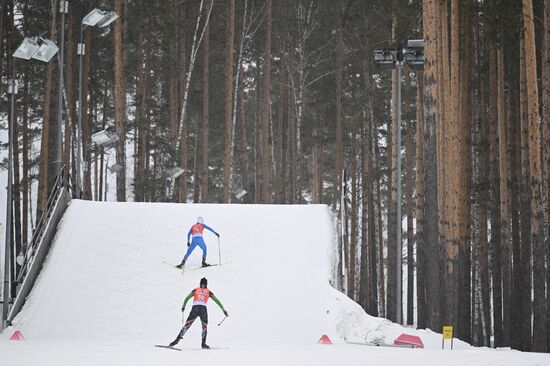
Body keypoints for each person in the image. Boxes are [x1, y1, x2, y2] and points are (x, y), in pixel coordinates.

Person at [169, 277, 228, 349]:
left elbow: (187, 298)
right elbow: (217, 301)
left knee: (187, 325)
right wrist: (224, 310)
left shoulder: (195, 290)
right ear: (206, 284)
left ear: (200, 283)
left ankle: (175, 341)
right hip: (203, 309)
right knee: (204, 326)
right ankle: (203, 344)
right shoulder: (208, 291)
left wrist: (183, 307)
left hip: (195, 308)